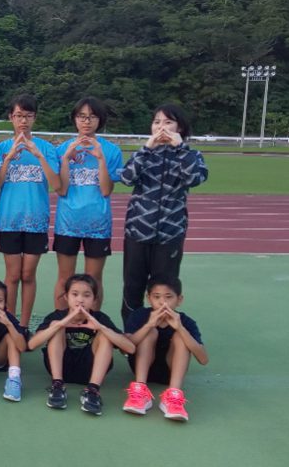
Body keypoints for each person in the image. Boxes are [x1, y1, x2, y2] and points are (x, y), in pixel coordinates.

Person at [120, 104, 208, 323]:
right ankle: (131, 333)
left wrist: (181, 149)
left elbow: (194, 179)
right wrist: (146, 149)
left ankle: (162, 333)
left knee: (164, 290)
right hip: (138, 232)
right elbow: (126, 178)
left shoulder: (192, 155)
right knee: (132, 287)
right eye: (157, 122)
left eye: (168, 122)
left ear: (180, 128)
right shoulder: (143, 154)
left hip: (170, 234)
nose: (161, 127)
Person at [0, 95, 60, 328]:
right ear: (11, 117)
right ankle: (10, 322)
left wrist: (38, 155)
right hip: (9, 220)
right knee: (12, 275)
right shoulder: (1, 148)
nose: (23, 121)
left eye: (28, 116)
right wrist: (9, 158)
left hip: (36, 220)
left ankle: (23, 325)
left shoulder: (46, 148)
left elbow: (57, 183)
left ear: (34, 118)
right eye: (19, 116)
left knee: (28, 275)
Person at [28, 274, 135, 416]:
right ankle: (57, 386)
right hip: (62, 367)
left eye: (86, 295)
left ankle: (92, 391)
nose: (80, 299)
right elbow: (31, 345)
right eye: (75, 294)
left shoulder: (100, 318)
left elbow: (130, 349)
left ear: (94, 299)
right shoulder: (57, 316)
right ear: (66, 297)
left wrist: (101, 327)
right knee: (55, 327)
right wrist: (60, 324)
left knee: (106, 334)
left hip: (89, 370)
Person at [53, 97, 123, 311]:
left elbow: (106, 190)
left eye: (92, 117)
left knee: (94, 279)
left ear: (100, 120)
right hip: (67, 222)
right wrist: (66, 159)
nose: (86, 121)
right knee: (65, 277)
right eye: (81, 116)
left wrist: (100, 159)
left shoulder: (111, 151)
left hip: (98, 223)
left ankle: (93, 323)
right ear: (75, 119)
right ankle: (61, 322)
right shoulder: (62, 149)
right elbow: (61, 189)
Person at [122, 277, 208, 421]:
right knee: (150, 332)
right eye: (157, 297)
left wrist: (180, 328)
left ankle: (173, 396)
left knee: (181, 336)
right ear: (148, 298)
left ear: (179, 300)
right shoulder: (139, 315)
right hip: (142, 368)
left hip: (170, 372)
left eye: (168, 297)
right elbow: (125, 349)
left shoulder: (186, 321)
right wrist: (149, 325)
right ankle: (140, 391)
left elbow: (203, 359)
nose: (162, 302)